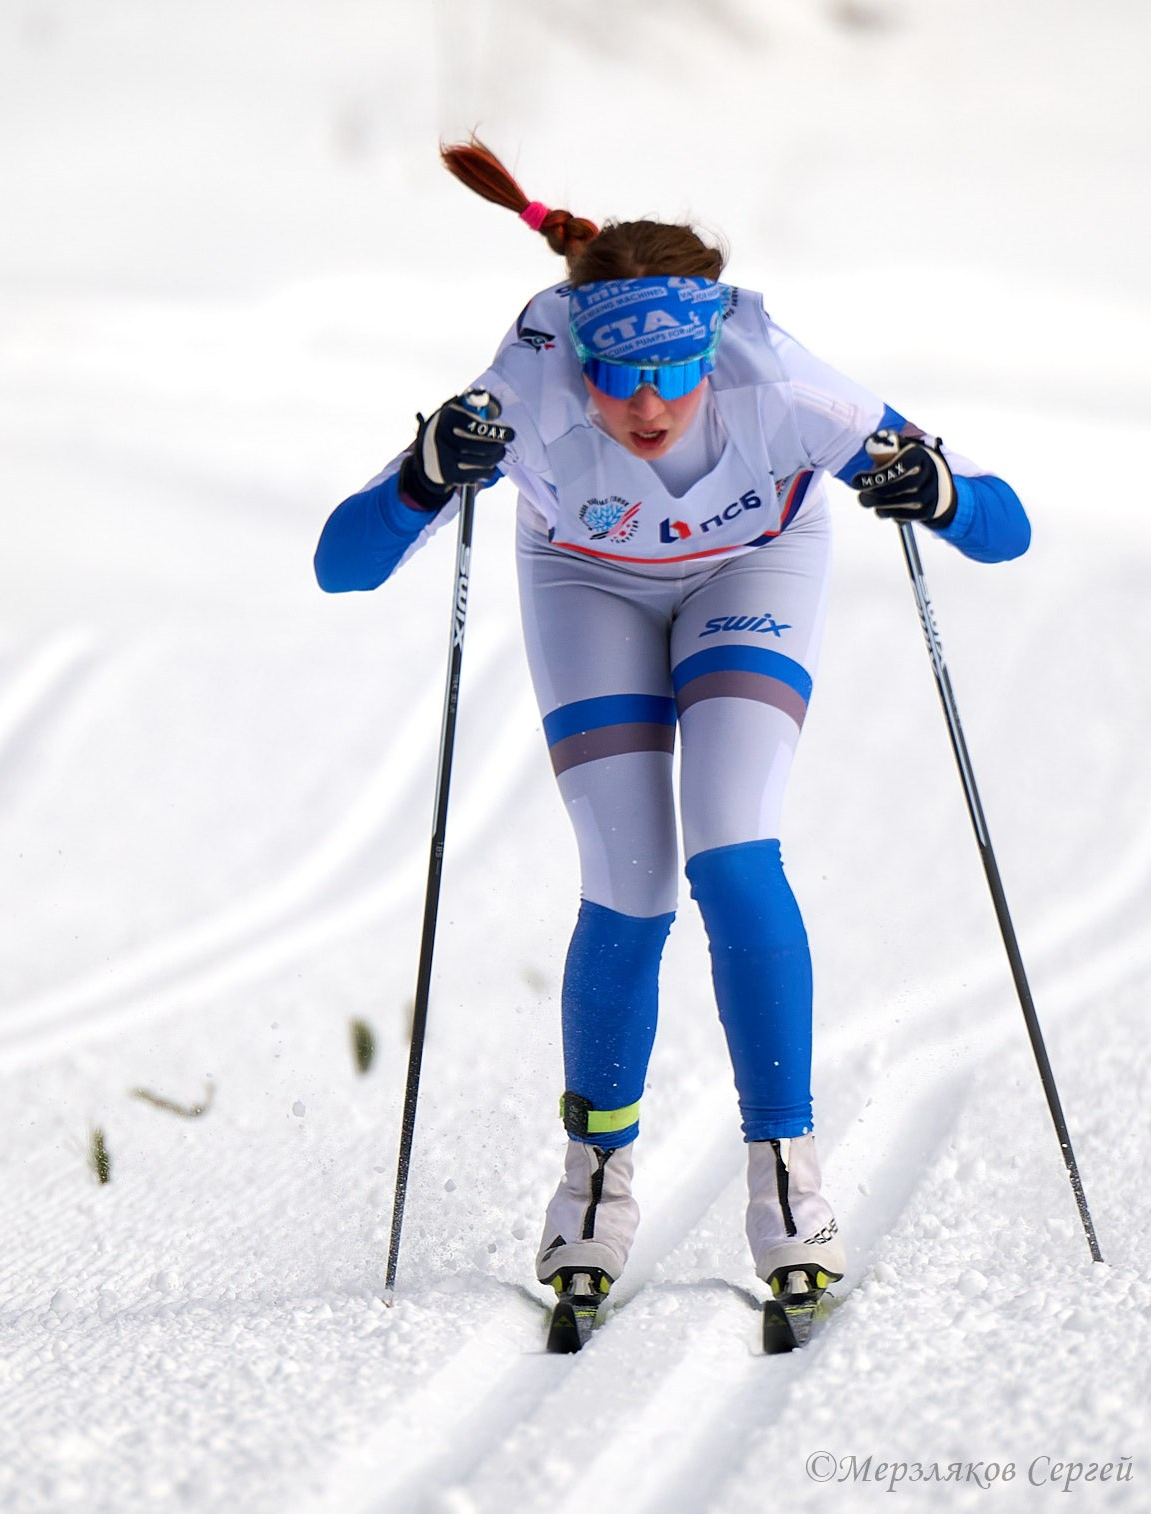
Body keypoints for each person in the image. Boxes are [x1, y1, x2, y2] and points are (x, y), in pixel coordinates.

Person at [314, 141, 1028, 1338]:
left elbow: (1001, 533)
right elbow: (342, 566)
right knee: (628, 882)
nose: (645, 407)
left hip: (753, 565)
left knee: (733, 845)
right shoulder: (525, 389)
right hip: (586, 580)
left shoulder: (784, 387)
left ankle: (786, 1176)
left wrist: (935, 490)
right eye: (617, 377)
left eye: (673, 374)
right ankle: (594, 1179)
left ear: (713, 350)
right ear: (577, 358)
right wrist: (426, 473)